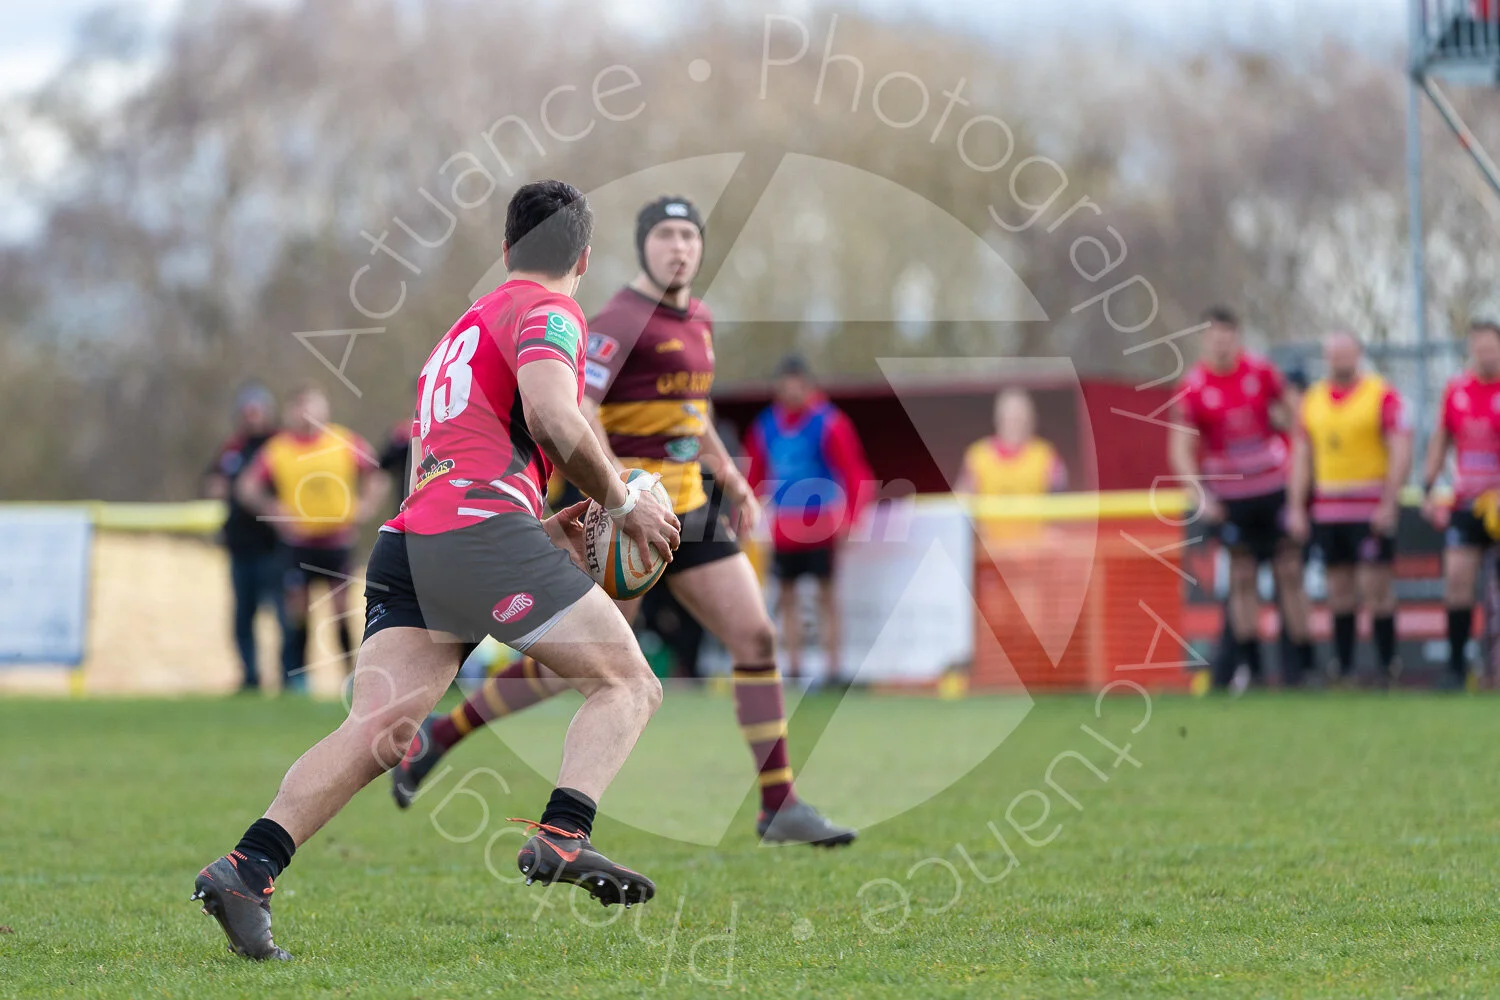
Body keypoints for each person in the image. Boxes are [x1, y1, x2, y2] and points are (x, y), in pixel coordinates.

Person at [190, 180, 682, 961]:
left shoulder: (461, 329)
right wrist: (622, 504)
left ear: (504, 251)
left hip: (412, 541)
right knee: (631, 681)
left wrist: (538, 527)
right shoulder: (551, 311)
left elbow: (451, 464)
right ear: (584, 259)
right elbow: (557, 415)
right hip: (477, 534)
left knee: (380, 729)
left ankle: (247, 868)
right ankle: (564, 833)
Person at [391, 195, 857, 847]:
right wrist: (622, 499)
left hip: (688, 511)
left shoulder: (698, 319)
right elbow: (576, 406)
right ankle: (443, 734)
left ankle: (779, 804)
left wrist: (728, 476)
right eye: (666, 235)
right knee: (583, 660)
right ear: (642, 246)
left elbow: (692, 414)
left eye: (689, 236)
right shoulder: (616, 319)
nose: (679, 247)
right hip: (623, 518)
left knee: (755, 637)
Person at [1169, 306, 1313, 693]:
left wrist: (1298, 494)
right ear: (1205, 339)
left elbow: (1301, 421)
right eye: (1214, 335)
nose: (1221, 342)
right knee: (1242, 580)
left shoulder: (1261, 373)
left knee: (1289, 574)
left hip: (1274, 492)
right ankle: (1253, 670)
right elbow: (1179, 450)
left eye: (1227, 335)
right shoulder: (1194, 386)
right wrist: (1200, 496)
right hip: (1231, 499)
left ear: (1237, 337)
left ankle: (1300, 670)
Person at [237, 385, 387, 688]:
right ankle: (298, 679)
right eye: (300, 407)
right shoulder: (278, 449)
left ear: (325, 409)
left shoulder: (344, 441)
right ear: (291, 412)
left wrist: (365, 506)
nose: (307, 414)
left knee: (342, 611)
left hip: (337, 542)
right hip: (298, 544)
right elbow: (247, 487)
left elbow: (378, 475)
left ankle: (352, 677)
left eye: (312, 406)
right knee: (298, 613)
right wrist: (273, 511)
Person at [1287, 333, 1412, 684]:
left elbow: (1401, 448)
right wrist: (1296, 506)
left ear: (1358, 354)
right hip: (1328, 510)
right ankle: (1344, 668)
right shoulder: (1312, 401)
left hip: (1369, 508)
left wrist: (1390, 501)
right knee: (1338, 590)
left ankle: (1388, 666)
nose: (1339, 360)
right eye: (1333, 354)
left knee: (1377, 588)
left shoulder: (1381, 394)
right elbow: (1301, 457)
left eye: (1345, 353)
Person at [744, 355, 872, 686]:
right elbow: (753, 475)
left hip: (821, 525)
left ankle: (833, 669)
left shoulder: (829, 422)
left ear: (808, 384)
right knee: (786, 597)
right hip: (784, 528)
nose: (791, 390)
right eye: (785, 383)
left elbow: (855, 473)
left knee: (826, 596)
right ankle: (795, 667)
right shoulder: (766, 426)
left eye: (797, 383)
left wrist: (852, 519)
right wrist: (743, 512)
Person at [1420, 319, 1500, 689]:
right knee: (1457, 580)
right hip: (1467, 503)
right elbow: (1442, 439)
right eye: (1479, 348)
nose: (1485, 355)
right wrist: (1429, 485)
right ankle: (1456, 668)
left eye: (1491, 348)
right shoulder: (1457, 390)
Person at [205, 384, 286, 693]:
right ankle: (250, 676)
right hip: (240, 546)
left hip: (273, 547)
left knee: (283, 616)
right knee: (243, 616)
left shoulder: (280, 446)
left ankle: (289, 678)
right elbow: (213, 481)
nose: (252, 417)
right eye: (247, 411)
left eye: (257, 410)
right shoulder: (233, 448)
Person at [956, 388, 1068, 496]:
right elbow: (961, 501)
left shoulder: (1046, 455)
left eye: (1020, 417)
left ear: (1032, 420)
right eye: (1010, 417)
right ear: (998, 419)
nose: (1015, 424)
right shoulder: (978, 455)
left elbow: (1060, 500)